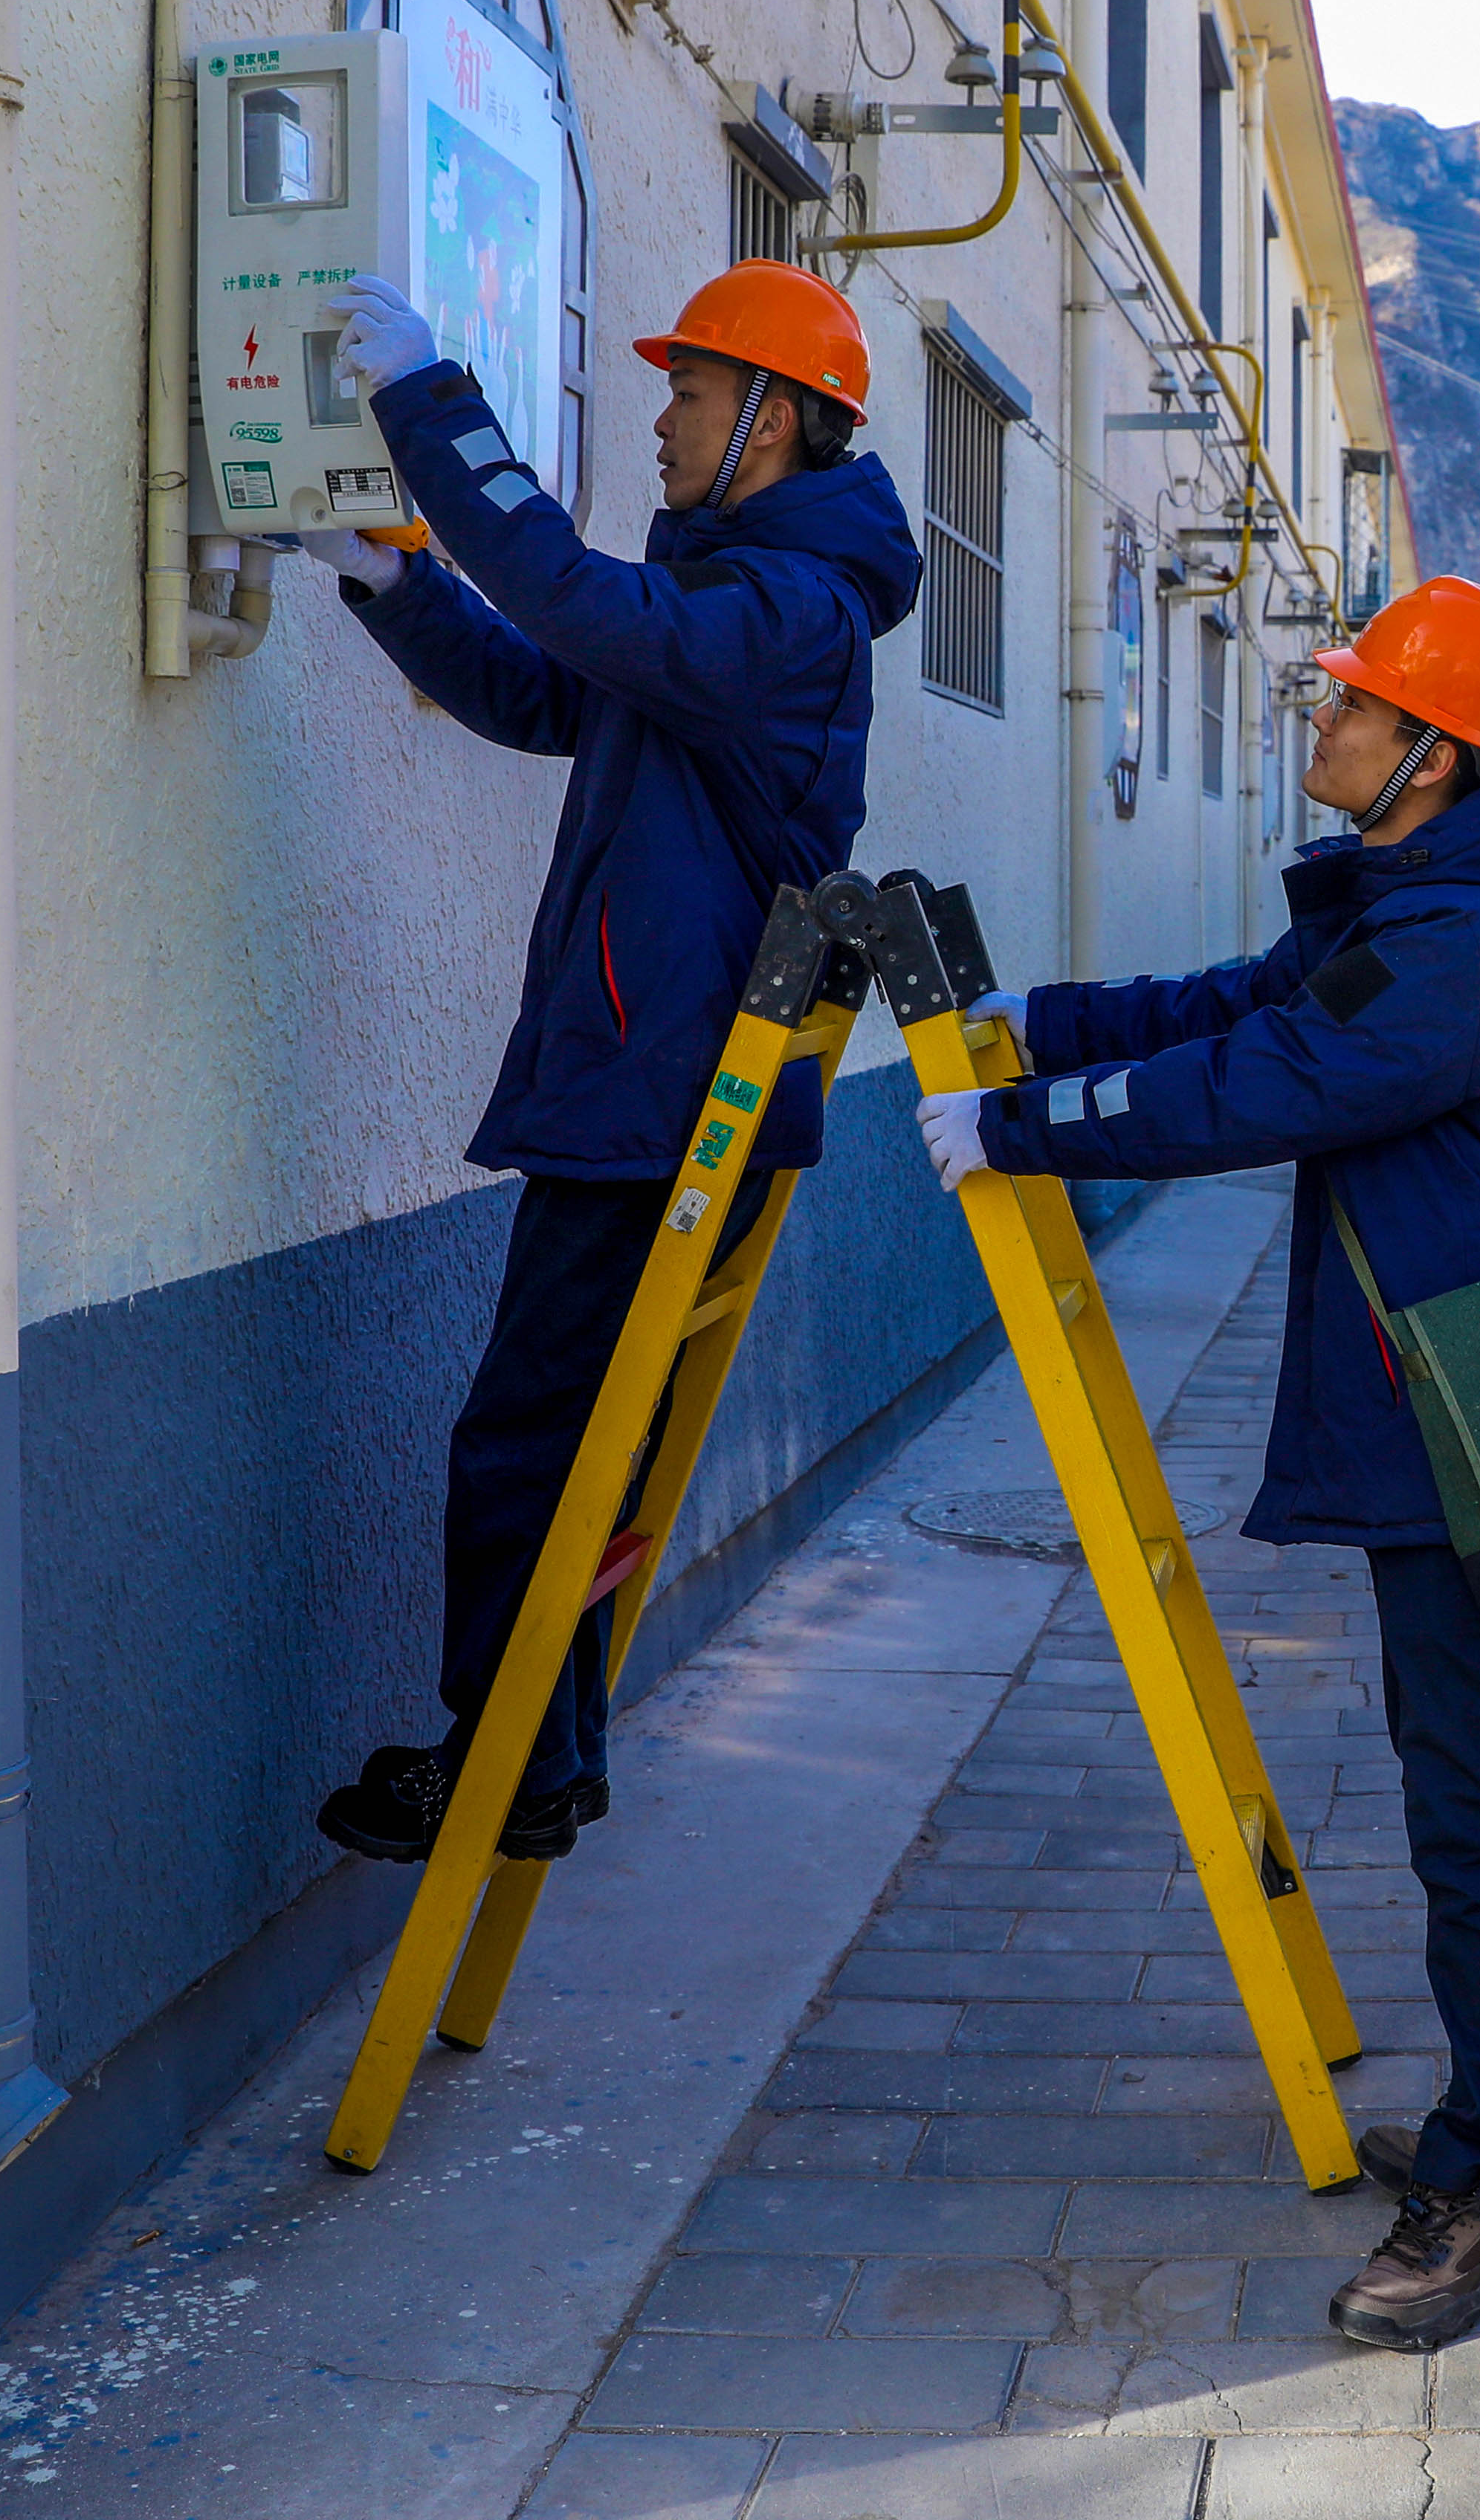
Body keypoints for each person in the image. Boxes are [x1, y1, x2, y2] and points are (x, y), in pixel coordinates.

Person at [911, 575, 1480, 2353]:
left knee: (1470, 1787)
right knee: (1477, 1767)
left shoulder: (1462, 940)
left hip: (1468, 1422)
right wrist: (1045, 1024)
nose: (1322, 723)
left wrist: (1015, 1129)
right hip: (1442, 1404)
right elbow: (1235, 1003)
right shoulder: (1430, 892)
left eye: (1353, 709)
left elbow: (1273, 1081)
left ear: (1435, 758)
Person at [303, 258, 920, 1867]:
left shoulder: (784, 612)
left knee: (529, 1442)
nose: (659, 420)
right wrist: (389, 583)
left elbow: (577, 606)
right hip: (649, 1081)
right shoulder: (729, 603)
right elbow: (537, 688)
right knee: (573, 1450)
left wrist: (432, 408)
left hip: (658, 1091)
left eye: (691, 392)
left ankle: (500, 1767)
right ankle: (539, 1754)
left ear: (772, 421)